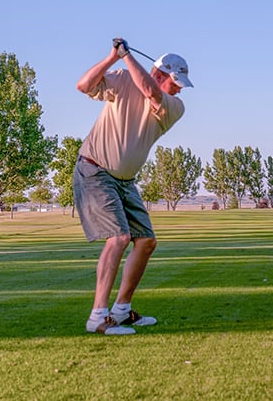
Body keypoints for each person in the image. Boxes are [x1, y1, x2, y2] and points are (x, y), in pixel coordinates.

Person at [74, 38, 193, 335]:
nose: (179, 89)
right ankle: (98, 318)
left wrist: (126, 56)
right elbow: (84, 85)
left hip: (125, 182)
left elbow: (151, 92)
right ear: (160, 73)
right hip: (95, 170)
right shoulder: (124, 78)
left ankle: (122, 310)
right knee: (118, 238)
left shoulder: (175, 107)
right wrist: (112, 57)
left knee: (147, 241)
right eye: (176, 82)